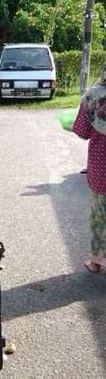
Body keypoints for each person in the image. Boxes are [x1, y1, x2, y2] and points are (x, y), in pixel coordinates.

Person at [72, 74, 106, 273]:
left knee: (99, 214)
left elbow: (83, 131)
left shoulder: (93, 95)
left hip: (101, 166)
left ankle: (96, 262)